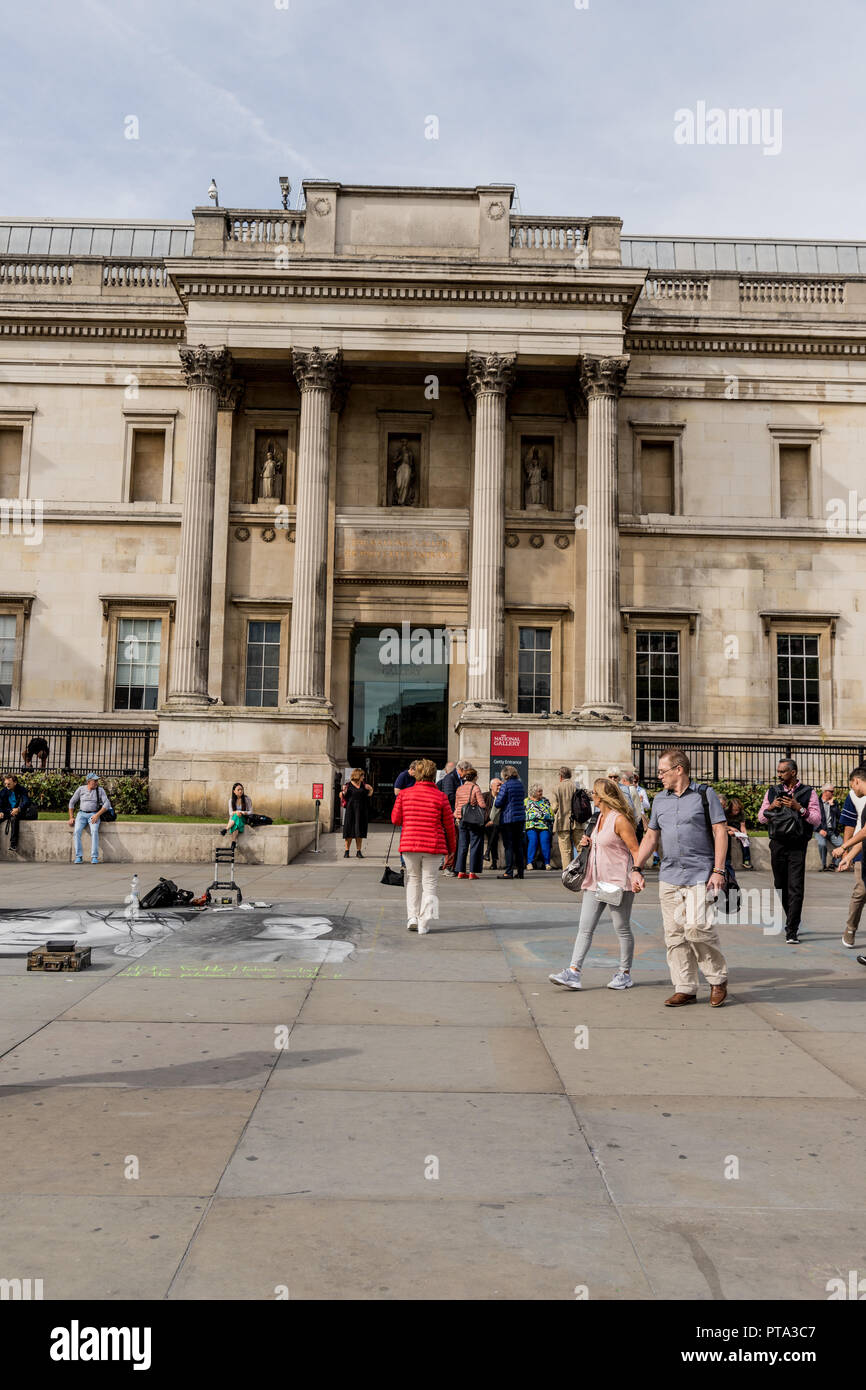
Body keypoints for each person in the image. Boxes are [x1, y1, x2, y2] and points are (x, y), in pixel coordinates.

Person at [632, 748, 730, 1007]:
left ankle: (717, 979)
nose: (659, 776)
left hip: (701, 874)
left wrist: (718, 870)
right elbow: (651, 836)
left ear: (679, 769)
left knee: (698, 928)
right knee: (674, 934)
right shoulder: (660, 800)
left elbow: (720, 832)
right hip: (670, 875)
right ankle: (685, 987)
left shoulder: (704, 795)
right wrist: (636, 868)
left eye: (662, 771)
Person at [550, 777, 643, 991]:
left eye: (593, 793)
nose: (591, 796)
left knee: (622, 928)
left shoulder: (620, 820)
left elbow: (636, 850)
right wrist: (588, 842)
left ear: (601, 797)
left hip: (615, 880)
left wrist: (637, 874)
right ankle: (573, 972)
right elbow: (601, 843)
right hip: (594, 879)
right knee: (585, 928)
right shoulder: (597, 817)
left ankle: (624, 973)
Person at [757, 758, 821, 944]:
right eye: (778, 771)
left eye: (782, 771)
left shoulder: (808, 792)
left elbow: (816, 820)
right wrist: (772, 807)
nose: (779, 775)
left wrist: (799, 808)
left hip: (797, 845)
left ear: (793, 772)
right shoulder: (773, 792)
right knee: (780, 885)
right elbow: (761, 818)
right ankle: (791, 919)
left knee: (796, 887)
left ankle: (792, 928)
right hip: (777, 843)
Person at [392, 757, 456, 934]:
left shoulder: (404, 794)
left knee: (413, 879)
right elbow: (449, 825)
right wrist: (452, 848)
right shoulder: (441, 797)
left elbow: (395, 819)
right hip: (434, 845)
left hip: (410, 843)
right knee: (430, 882)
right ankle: (425, 922)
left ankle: (412, 917)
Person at [831, 765, 866, 949]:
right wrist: (848, 854)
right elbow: (856, 829)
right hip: (862, 852)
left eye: (852, 784)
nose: (851, 788)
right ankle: (851, 928)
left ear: (857, 780)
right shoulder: (855, 797)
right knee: (861, 891)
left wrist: (844, 847)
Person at [68, 772, 113, 865]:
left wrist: (97, 815)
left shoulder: (100, 790)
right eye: (95, 781)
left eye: (97, 781)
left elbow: (107, 804)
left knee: (94, 831)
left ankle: (94, 856)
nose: (97, 783)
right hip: (81, 814)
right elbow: (71, 802)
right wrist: (71, 817)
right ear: (89, 781)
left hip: (94, 814)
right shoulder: (81, 789)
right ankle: (79, 856)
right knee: (76, 832)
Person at [454, 766, 487, 878]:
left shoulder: (459, 788)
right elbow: (482, 805)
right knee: (475, 845)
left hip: (462, 819)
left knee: (462, 845)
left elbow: (457, 805)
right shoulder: (475, 788)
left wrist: (458, 817)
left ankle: (460, 871)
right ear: (475, 777)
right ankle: (472, 872)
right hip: (473, 820)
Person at [495, 765, 527, 879]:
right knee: (518, 845)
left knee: (508, 846)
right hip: (520, 819)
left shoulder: (506, 785)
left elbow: (498, 803)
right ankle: (521, 872)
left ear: (505, 775)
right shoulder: (520, 784)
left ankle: (508, 871)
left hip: (508, 819)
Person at [551, 765, 578, 870]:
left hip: (562, 821)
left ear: (560, 776)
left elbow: (554, 807)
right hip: (577, 821)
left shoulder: (556, 788)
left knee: (565, 850)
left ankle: (567, 872)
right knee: (580, 848)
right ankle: (582, 870)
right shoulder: (576, 786)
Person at [342, 768, 373, 858]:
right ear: (358, 775)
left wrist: (371, 789)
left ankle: (358, 851)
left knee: (359, 831)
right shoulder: (348, 785)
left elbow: (368, 795)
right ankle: (347, 851)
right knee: (349, 831)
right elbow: (342, 795)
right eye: (362, 775)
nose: (363, 777)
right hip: (351, 810)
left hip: (361, 811)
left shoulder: (363, 785)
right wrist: (343, 791)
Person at [0, 774, 35, 851]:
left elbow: (26, 802)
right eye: (5, 784)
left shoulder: (22, 790)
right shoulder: (4, 791)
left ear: (15, 782)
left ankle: (13, 844)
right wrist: (1, 811)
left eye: (8, 784)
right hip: (8, 811)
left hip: (21, 811)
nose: (7, 785)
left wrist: (18, 809)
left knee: (14, 818)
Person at [524, 783, 554, 870]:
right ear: (534, 792)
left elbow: (550, 814)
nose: (541, 793)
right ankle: (529, 863)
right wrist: (540, 815)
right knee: (533, 841)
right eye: (539, 791)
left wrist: (537, 815)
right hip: (531, 825)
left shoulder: (545, 801)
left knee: (545, 842)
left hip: (544, 825)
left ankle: (547, 863)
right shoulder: (526, 801)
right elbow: (526, 815)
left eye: (541, 791)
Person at [815, 783, 842, 870]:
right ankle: (823, 865)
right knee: (822, 844)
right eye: (831, 791)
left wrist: (833, 806)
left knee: (843, 844)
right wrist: (819, 830)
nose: (833, 793)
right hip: (820, 830)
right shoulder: (816, 803)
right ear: (825, 792)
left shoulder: (834, 802)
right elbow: (811, 819)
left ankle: (834, 864)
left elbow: (839, 816)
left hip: (832, 830)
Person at [722, 794, 752, 870]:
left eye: (738, 810)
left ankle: (746, 860)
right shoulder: (725, 812)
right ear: (730, 808)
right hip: (728, 828)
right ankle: (727, 860)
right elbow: (724, 826)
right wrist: (731, 829)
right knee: (726, 838)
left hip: (737, 828)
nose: (736, 812)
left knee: (745, 839)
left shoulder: (741, 813)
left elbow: (742, 826)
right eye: (734, 810)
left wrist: (744, 833)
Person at [485, 775, 502, 869]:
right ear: (491, 786)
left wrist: (493, 821)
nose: (499, 787)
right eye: (497, 785)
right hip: (486, 823)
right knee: (493, 834)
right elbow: (482, 811)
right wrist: (487, 821)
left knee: (494, 828)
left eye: (500, 785)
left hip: (499, 823)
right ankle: (494, 861)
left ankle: (488, 853)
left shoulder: (502, 797)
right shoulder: (485, 796)